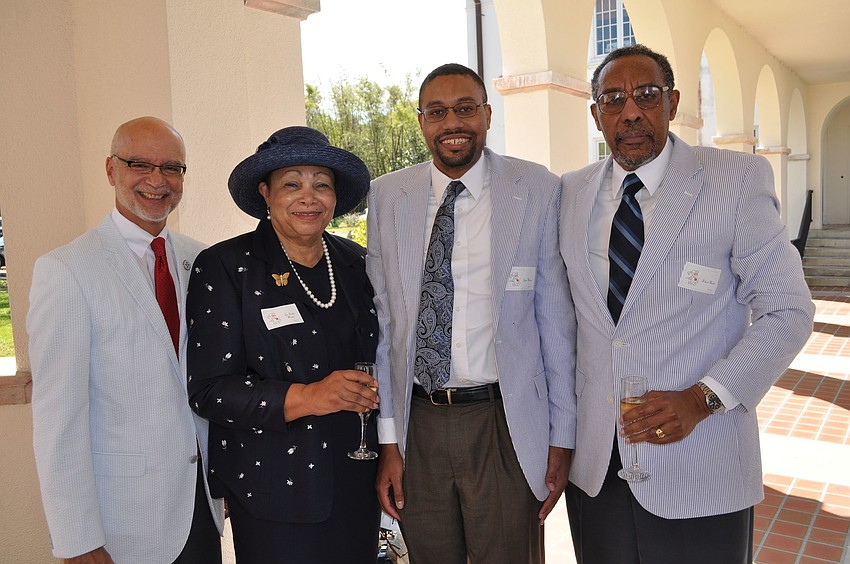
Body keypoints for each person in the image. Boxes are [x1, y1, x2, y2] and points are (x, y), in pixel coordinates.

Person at [560, 44, 815, 563]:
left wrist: (703, 399)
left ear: (673, 103)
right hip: (597, 470)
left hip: (701, 460)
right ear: (596, 115)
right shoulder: (569, 192)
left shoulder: (736, 181)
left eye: (646, 95)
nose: (630, 111)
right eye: (613, 99)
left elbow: (788, 311)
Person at [367, 63, 576, 564]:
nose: (452, 122)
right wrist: (389, 440)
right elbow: (384, 327)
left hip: (503, 420)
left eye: (465, 109)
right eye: (437, 112)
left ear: (486, 114)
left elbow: (556, 324)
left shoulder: (537, 188)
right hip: (420, 424)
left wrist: (561, 437)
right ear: (421, 122)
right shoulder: (387, 195)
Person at [28, 116, 224, 563]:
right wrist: (77, 539)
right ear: (111, 169)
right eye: (140, 164)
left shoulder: (201, 260)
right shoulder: (67, 271)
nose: (158, 180)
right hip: (122, 525)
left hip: (202, 507)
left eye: (172, 168)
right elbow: (59, 420)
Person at [186, 126, 380, 563]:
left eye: (321, 184)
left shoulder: (357, 263)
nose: (308, 197)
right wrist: (311, 396)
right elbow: (210, 391)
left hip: (357, 480)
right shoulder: (225, 267)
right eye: (292, 183)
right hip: (274, 491)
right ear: (266, 193)